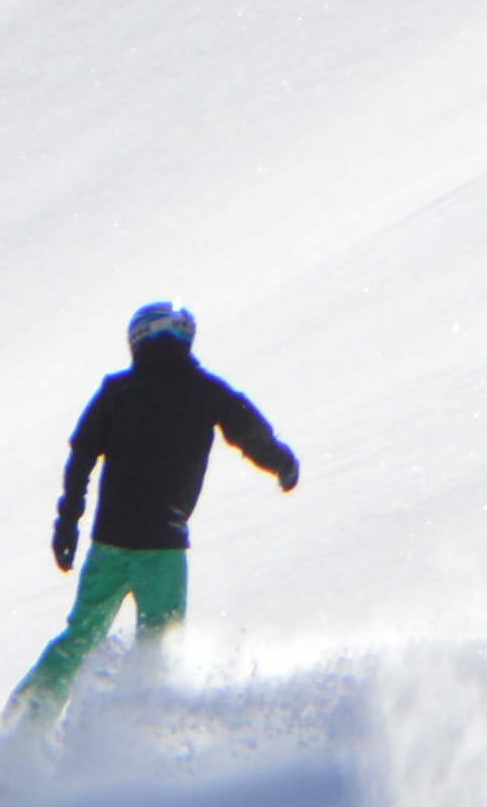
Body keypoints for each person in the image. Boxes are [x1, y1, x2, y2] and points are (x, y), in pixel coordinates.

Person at [20, 301, 299, 712]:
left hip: (110, 546)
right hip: (163, 551)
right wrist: (283, 465)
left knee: (81, 636)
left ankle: (25, 721)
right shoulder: (206, 390)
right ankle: (140, 737)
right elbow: (251, 434)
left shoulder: (116, 392)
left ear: (138, 341)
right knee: (160, 649)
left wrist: (67, 526)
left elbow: (80, 457)